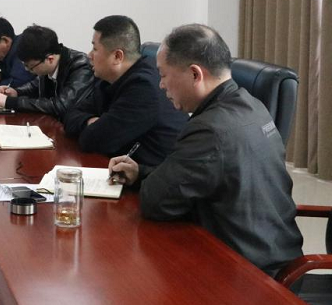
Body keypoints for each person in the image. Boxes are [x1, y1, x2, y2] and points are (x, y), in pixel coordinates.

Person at [108, 24, 302, 276]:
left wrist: (147, 182)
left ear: (195, 74)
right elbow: (195, 178)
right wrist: (140, 173)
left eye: (164, 75)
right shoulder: (252, 104)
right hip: (277, 254)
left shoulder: (210, 129)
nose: (161, 85)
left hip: (249, 273)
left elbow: (155, 202)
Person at [63, 15, 188, 166]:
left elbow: (92, 141)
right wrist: (89, 121)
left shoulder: (143, 88)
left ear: (117, 56)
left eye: (95, 49)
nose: (89, 55)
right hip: (121, 168)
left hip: (152, 175)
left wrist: (94, 126)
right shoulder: (108, 79)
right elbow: (70, 114)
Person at [0, 25, 93, 119]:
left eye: (30, 67)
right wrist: (16, 92)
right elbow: (35, 84)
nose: (27, 70)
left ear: (50, 59)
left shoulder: (81, 65)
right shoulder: (48, 62)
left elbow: (61, 105)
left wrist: (11, 102)